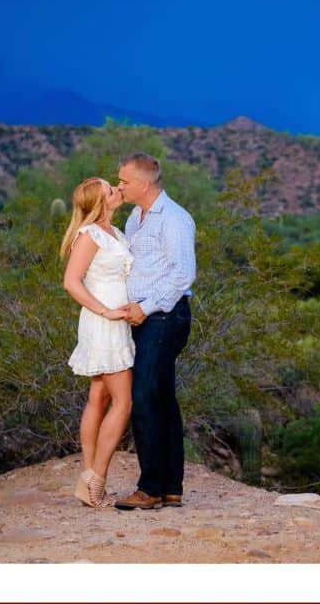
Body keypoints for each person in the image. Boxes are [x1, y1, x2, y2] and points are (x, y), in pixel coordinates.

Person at [113, 152, 196, 511]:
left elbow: (183, 274)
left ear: (144, 184)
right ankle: (170, 487)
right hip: (145, 318)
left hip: (163, 317)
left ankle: (149, 489)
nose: (119, 186)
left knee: (144, 397)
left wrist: (144, 308)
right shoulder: (135, 217)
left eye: (124, 182)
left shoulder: (175, 219)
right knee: (162, 399)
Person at [60, 177, 135, 508]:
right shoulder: (89, 235)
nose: (118, 191)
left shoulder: (115, 234)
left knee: (99, 396)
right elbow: (71, 282)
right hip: (103, 323)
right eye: (111, 190)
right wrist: (105, 311)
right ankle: (97, 479)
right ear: (101, 203)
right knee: (124, 402)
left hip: (117, 323)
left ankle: (88, 475)